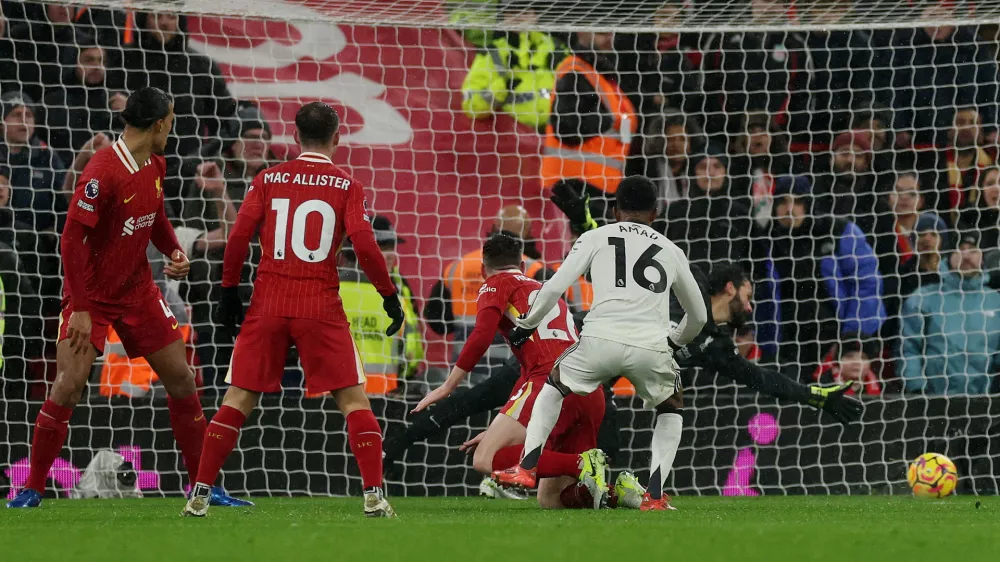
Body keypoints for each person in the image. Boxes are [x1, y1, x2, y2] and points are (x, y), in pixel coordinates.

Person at [7, 87, 247, 509]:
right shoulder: (102, 171)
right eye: (170, 121)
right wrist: (81, 308)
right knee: (67, 387)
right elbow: (71, 240)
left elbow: (155, 215)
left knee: (182, 380)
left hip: (138, 291)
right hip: (91, 296)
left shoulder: (156, 162)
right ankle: (32, 488)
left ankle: (203, 486)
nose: (172, 129)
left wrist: (174, 250)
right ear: (158, 124)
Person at [184, 102, 406, 518]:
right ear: (337, 138)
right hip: (320, 305)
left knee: (237, 399)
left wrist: (227, 291)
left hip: (268, 302)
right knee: (354, 402)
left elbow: (238, 237)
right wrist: (388, 294)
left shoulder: (268, 179)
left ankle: (199, 494)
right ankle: (374, 495)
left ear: (294, 136)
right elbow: (363, 243)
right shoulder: (346, 185)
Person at [495, 176, 709, 511]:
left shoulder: (596, 236)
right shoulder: (672, 250)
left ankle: (526, 467)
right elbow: (698, 316)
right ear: (655, 213)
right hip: (651, 346)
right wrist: (672, 342)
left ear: (614, 210)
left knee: (554, 387)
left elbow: (554, 287)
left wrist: (528, 323)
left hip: (598, 341)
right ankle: (654, 495)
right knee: (671, 407)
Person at [411, 233, 633, 510]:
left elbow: (481, 336)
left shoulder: (496, 283)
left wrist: (447, 386)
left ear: (483, 270)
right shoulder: (547, 290)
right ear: (523, 266)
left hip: (550, 384)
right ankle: (623, 493)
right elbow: (529, 373)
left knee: (485, 458)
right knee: (552, 499)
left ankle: (582, 464)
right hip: (590, 391)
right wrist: (499, 429)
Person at [752, 175, 885, 383]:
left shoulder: (838, 230)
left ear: (808, 203)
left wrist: (849, 340)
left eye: (797, 201)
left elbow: (868, 285)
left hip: (833, 340)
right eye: (783, 201)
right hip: (785, 343)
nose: (790, 209)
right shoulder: (763, 238)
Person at [423, 205, 547, 385]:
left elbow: (437, 322)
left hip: (464, 373)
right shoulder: (534, 270)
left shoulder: (458, 267)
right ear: (528, 233)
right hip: (511, 375)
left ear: (494, 228)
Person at [540, 31, 637, 207]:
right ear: (582, 32)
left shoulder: (602, 75)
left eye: (610, 33)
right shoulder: (575, 72)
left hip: (599, 185)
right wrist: (606, 120)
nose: (608, 37)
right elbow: (566, 127)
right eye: (601, 33)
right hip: (575, 185)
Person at [900, 233, 1000, 395]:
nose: (966, 256)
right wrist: (917, 388)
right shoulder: (924, 298)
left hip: (985, 401)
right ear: (948, 257)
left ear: (982, 257)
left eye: (973, 250)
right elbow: (909, 348)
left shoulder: (995, 301)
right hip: (933, 400)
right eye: (960, 250)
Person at [339, 215, 424, 394]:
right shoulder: (335, 288)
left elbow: (411, 336)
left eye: (392, 247)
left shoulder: (399, 285)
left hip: (387, 389)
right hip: (347, 391)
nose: (391, 255)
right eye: (382, 248)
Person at [461, 0, 564, 130]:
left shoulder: (555, 48)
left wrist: (562, 72)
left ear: (535, 15)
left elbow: (578, 89)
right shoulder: (492, 54)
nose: (518, 17)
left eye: (525, 12)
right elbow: (471, 107)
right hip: (515, 136)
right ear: (504, 16)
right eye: (512, 12)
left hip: (558, 131)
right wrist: (503, 85)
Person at [40, 32, 126, 165]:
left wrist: (132, 116)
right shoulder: (52, 104)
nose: (97, 66)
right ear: (73, 63)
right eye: (89, 60)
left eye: (101, 61)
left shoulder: (117, 102)